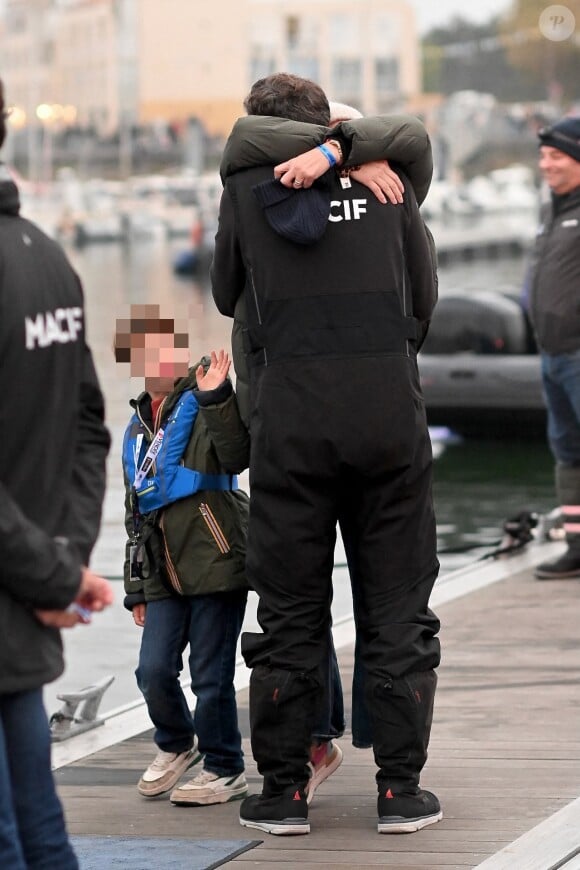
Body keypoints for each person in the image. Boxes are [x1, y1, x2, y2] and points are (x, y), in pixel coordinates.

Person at [211, 73, 441, 836]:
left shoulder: (246, 186)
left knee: (290, 613)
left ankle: (284, 793)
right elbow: (425, 297)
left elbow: (223, 290)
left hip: (293, 428)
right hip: (387, 423)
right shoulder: (391, 183)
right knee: (399, 606)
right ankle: (400, 792)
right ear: (326, 123)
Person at [0, 78, 114, 870]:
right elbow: (87, 426)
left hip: (23, 588)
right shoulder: (46, 255)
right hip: (25, 602)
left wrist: (52, 574)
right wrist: (64, 562)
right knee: (42, 838)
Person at [116, 307, 251, 806]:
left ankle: (225, 766)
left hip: (215, 560)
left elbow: (238, 455)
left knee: (211, 677)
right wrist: (135, 591)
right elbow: (133, 512)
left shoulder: (205, 395)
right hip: (161, 574)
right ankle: (177, 744)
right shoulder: (133, 429)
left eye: (161, 349)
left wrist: (218, 395)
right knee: (152, 671)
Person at [527, 117, 580, 580]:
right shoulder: (553, 211)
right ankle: (577, 545)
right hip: (554, 354)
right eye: (543, 156)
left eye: (556, 155)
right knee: (567, 451)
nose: (546, 164)